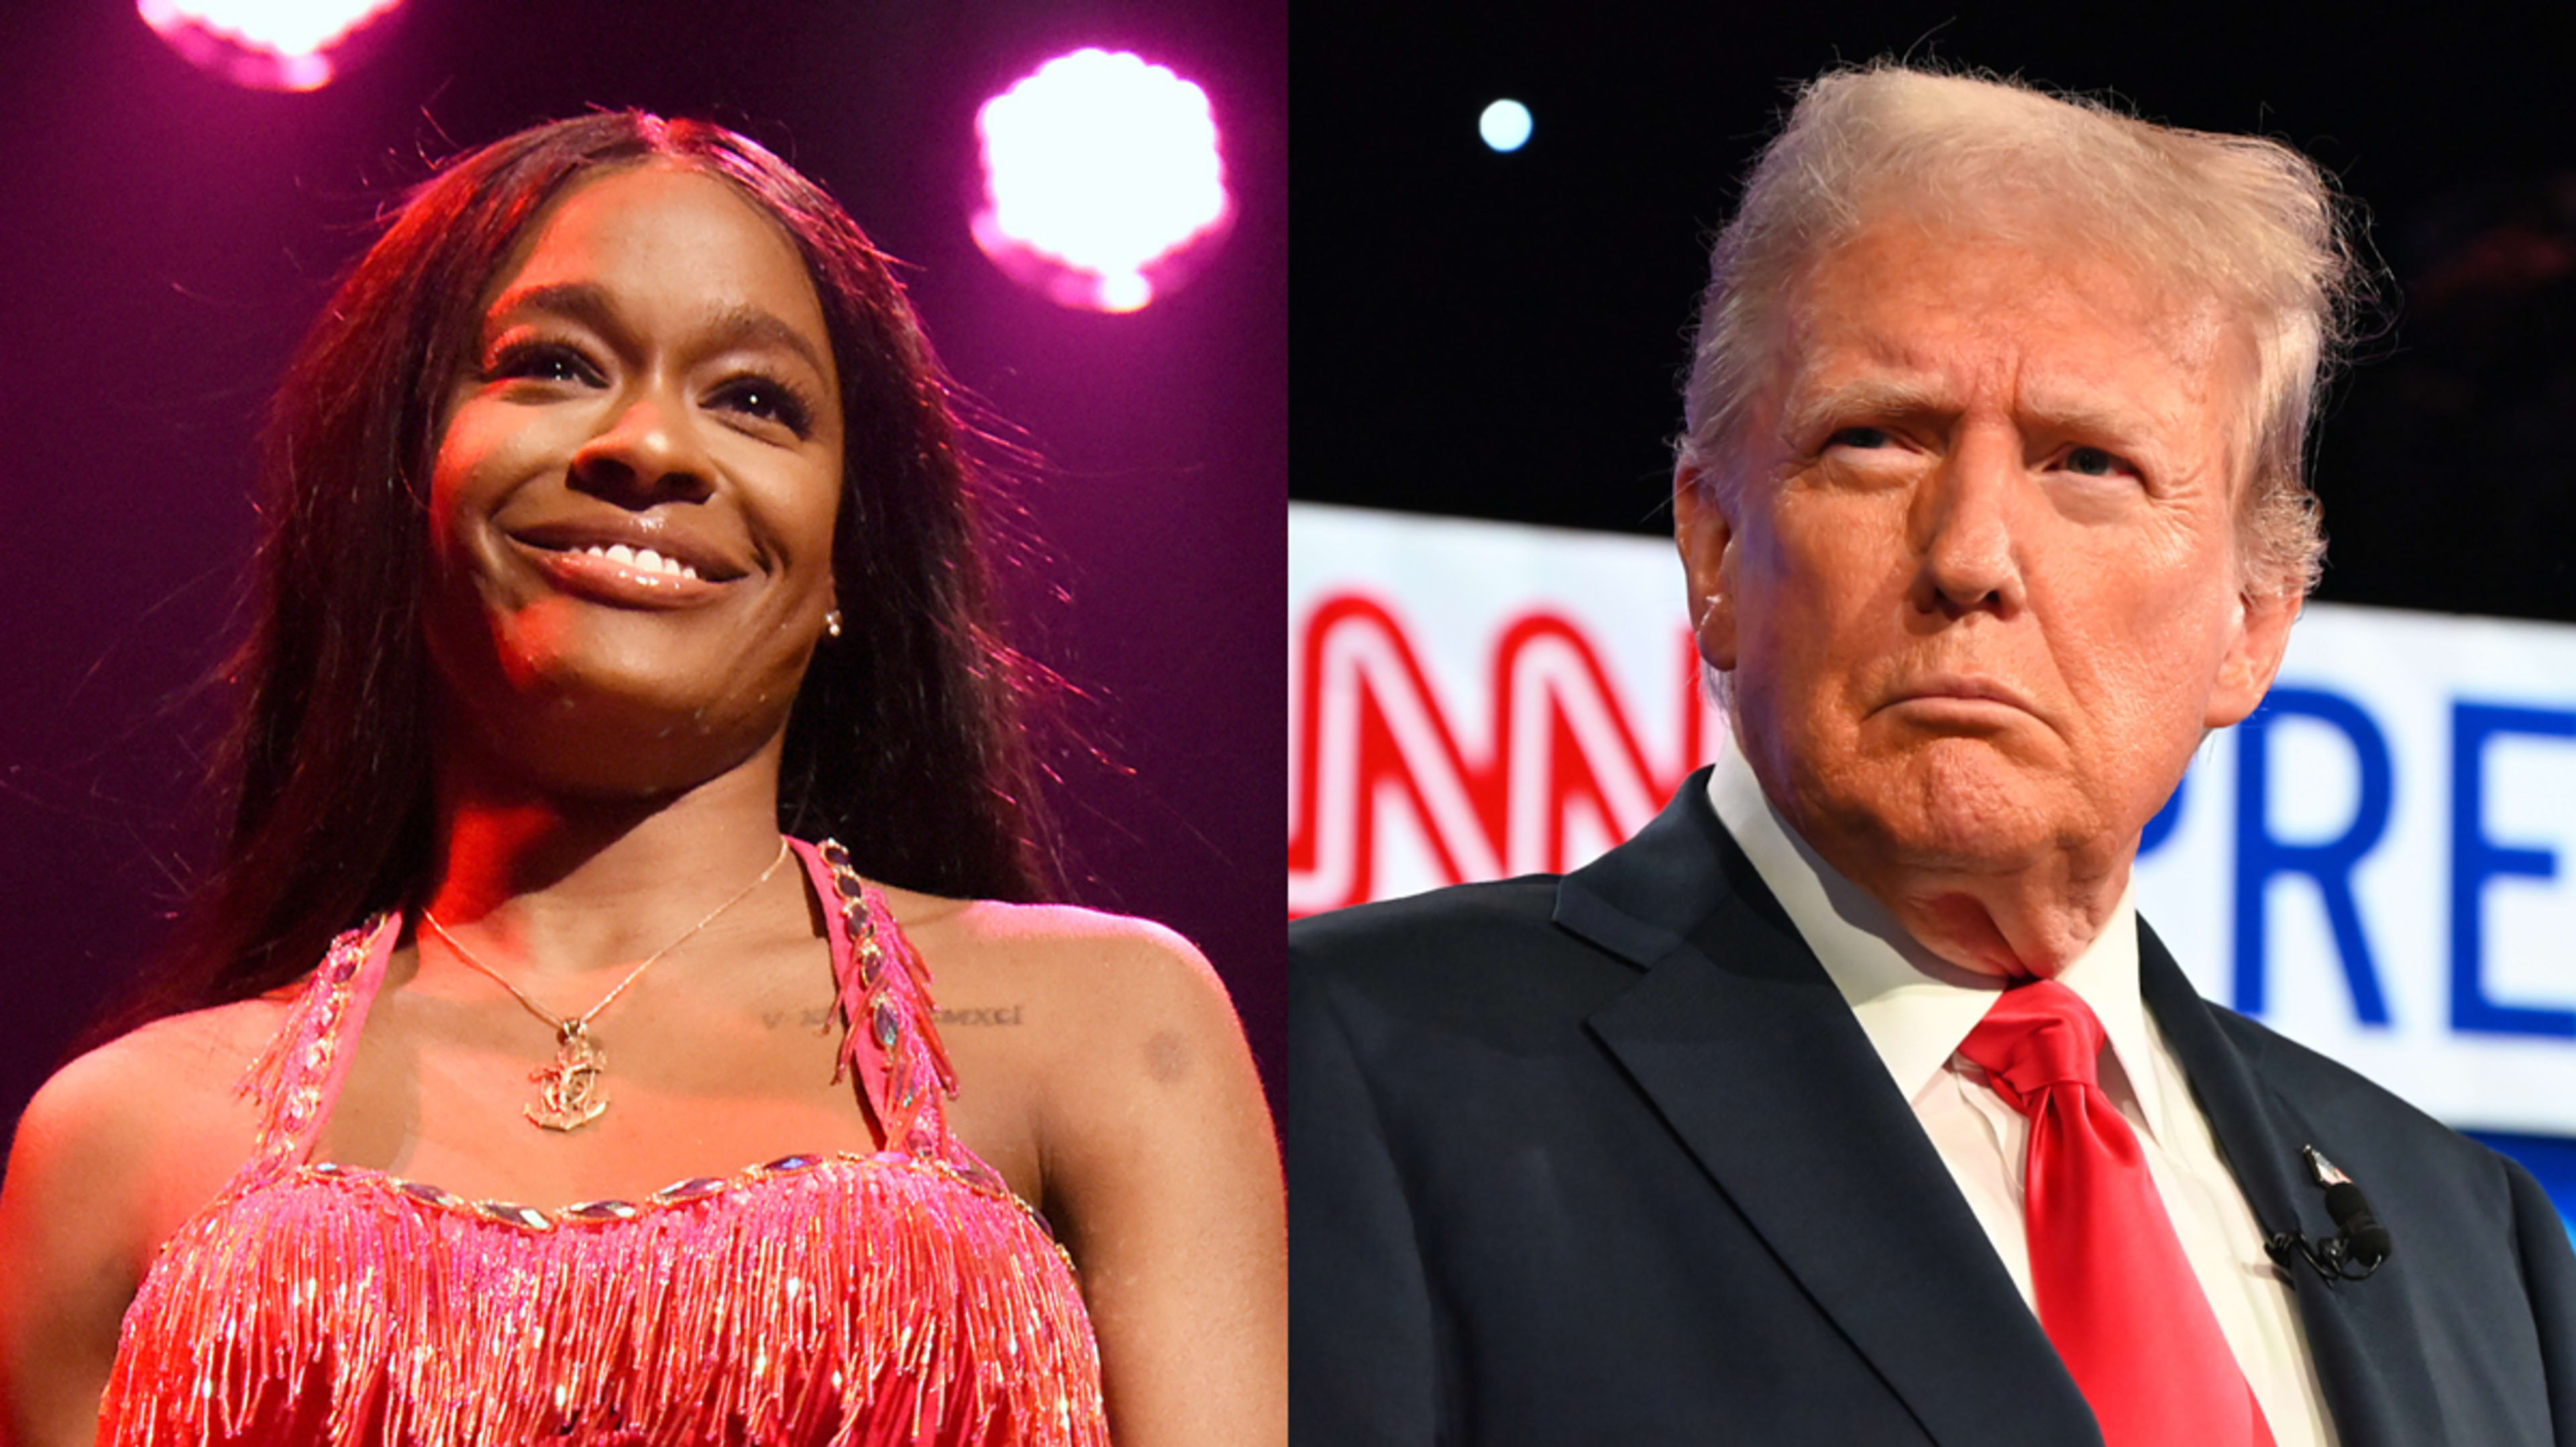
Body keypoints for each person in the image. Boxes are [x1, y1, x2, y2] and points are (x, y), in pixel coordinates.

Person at [1289, 63, 2576, 1447]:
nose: (1969, 555)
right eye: (1877, 440)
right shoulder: (1352, 1065)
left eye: (2087, 461)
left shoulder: (2472, 1236)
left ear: (2252, 620)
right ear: (1717, 546)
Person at [0, 112, 1284, 1445]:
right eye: (555, 364)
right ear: (398, 478)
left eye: (755, 400)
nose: (654, 448)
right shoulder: (122, 1142)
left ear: (850, 554)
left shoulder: (1107, 1032)